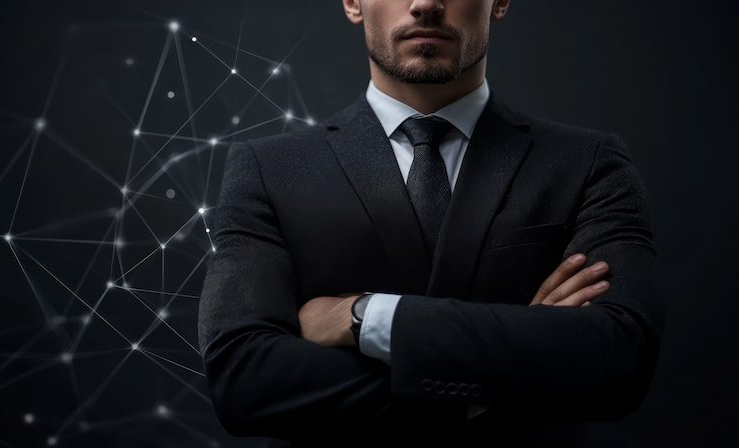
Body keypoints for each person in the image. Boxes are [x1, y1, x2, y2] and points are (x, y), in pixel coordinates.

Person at [198, 0, 664, 446]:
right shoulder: (268, 168)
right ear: (352, 1)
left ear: (499, 1)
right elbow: (243, 381)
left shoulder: (587, 163)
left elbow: (620, 361)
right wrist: (515, 366)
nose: (425, 3)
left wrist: (366, 316)